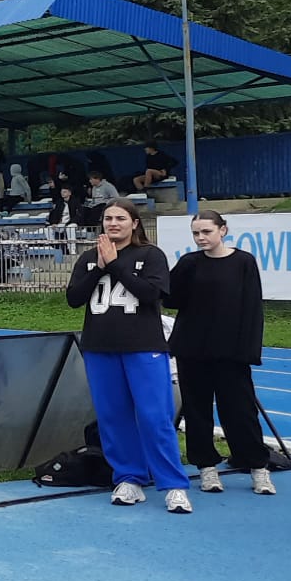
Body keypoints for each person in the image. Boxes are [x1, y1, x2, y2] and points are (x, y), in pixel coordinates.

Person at [64, 202, 189, 511]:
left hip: (143, 346)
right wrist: (100, 268)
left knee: (154, 417)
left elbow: (151, 294)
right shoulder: (89, 258)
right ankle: (129, 477)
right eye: (108, 218)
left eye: (120, 218)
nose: (113, 223)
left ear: (134, 223)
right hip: (100, 348)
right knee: (113, 417)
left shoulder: (150, 255)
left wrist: (115, 265)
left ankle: (173, 484)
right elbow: (74, 299)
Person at [169, 211, 274, 495]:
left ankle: (258, 467)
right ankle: (206, 468)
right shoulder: (189, 263)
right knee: (197, 412)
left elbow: (252, 307)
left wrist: (248, 350)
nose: (201, 238)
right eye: (196, 233)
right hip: (192, 350)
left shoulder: (243, 262)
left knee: (241, 411)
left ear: (223, 230)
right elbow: (170, 298)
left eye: (206, 231)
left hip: (231, 353)